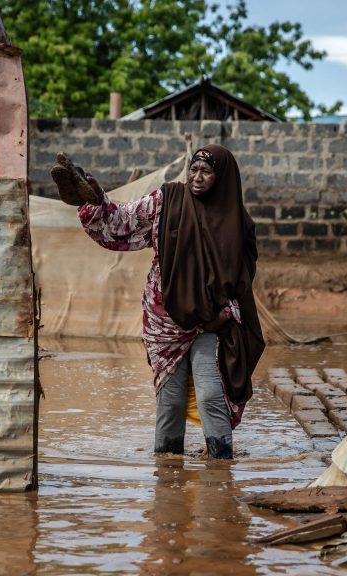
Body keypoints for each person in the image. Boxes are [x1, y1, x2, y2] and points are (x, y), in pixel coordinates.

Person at [76, 144, 265, 459]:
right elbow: (121, 221)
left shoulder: (238, 223)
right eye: (194, 169)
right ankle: (167, 471)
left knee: (210, 396)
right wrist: (96, 200)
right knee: (170, 399)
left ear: (223, 177)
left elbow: (242, 280)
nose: (197, 177)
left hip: (213, 322)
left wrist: (220, 313)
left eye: (206, 171)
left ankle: (221, 465)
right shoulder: (167, 201)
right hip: (165, 320)